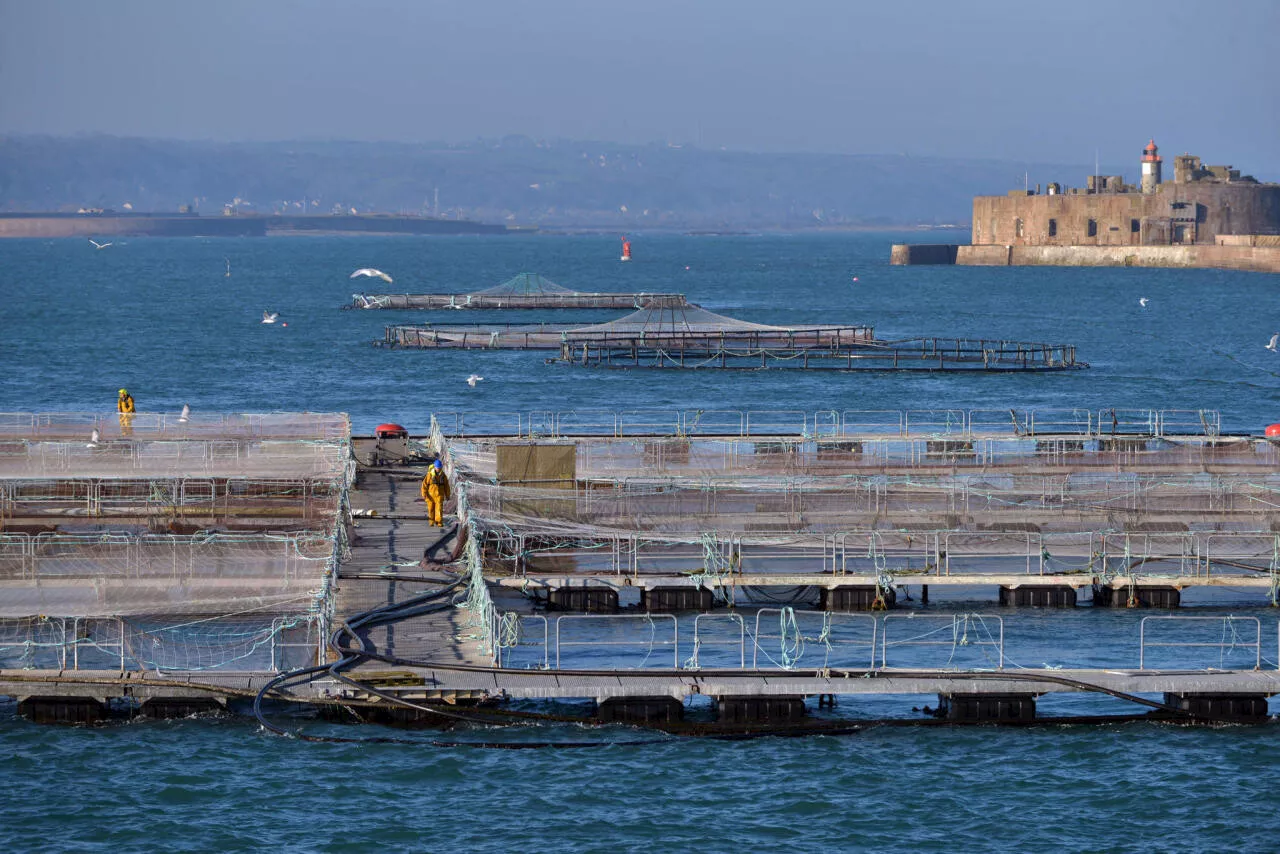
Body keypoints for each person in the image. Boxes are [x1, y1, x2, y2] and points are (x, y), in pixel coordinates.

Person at [420, 459, 451, 526]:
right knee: (431, 509)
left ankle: (439, 522)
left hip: (439, 495)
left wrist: (447, 495)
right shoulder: (429, 475)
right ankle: (431, 522)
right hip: (430, 496)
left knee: (439, 509)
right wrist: (424, 494)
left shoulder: (443, 476)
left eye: (440, 468)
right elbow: (424, 485)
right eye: (437, 468)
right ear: (435, 467)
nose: (438, 469)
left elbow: (446, 486)